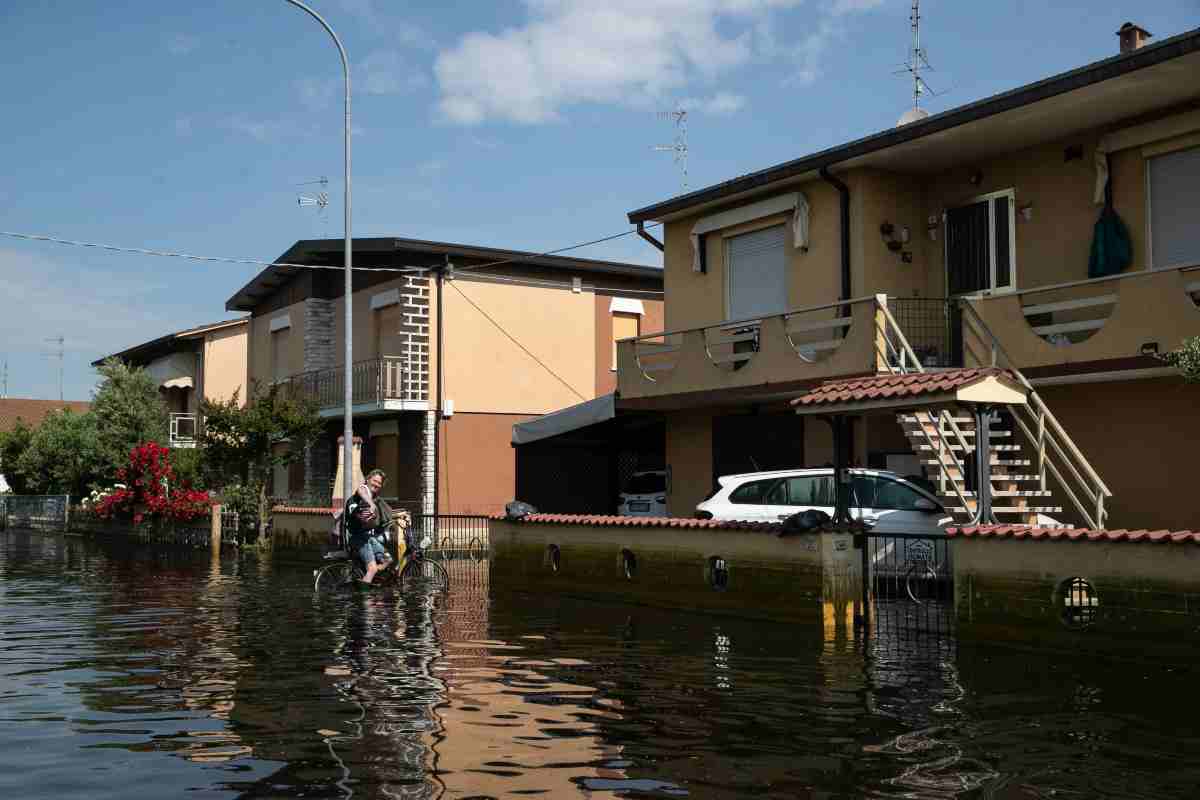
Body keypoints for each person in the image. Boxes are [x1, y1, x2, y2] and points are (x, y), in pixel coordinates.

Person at [343, 468, 394, 585]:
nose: (376, 484)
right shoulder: (364, 490)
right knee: (372, 569)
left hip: (367, 538)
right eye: (374, 481)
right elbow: (361, 490)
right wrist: (371, 504)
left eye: (379, 483)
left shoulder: (374, 497)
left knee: (388, 559)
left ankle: (369, 580)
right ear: (367, 479)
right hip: (357, 538)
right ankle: (365, 595)